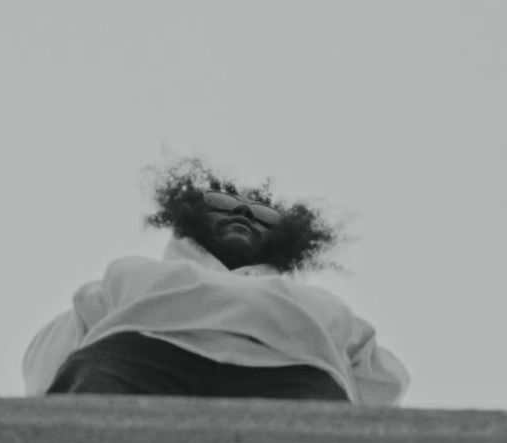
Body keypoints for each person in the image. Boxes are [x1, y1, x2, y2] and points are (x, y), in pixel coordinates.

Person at [22, 158, 408, 405]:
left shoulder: (318, 303)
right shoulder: (132, 274)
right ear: (192, 216)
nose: (243, 211)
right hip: (135, 359)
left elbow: (377, 372)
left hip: (292, 372)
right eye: (222, 203)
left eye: (263, 214)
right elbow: (56, 351)